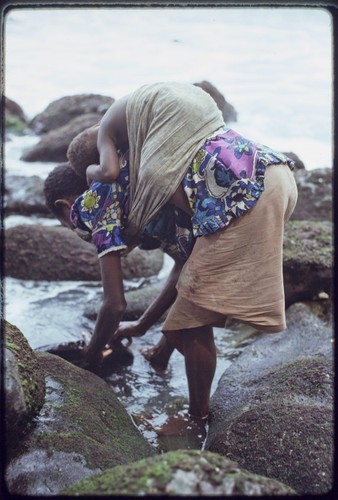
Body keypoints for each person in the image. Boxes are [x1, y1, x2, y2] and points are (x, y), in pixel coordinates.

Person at [44, 81, 298, 439]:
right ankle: (161, 355)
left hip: (243, 195)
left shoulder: (99, 200)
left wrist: (91, 353)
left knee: (190, 324)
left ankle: (197, 420)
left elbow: (114, 304)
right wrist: (143, 326)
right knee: (194, 289)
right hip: (271, 174)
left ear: (66, 208)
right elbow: (183, 264)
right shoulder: (157, 180)